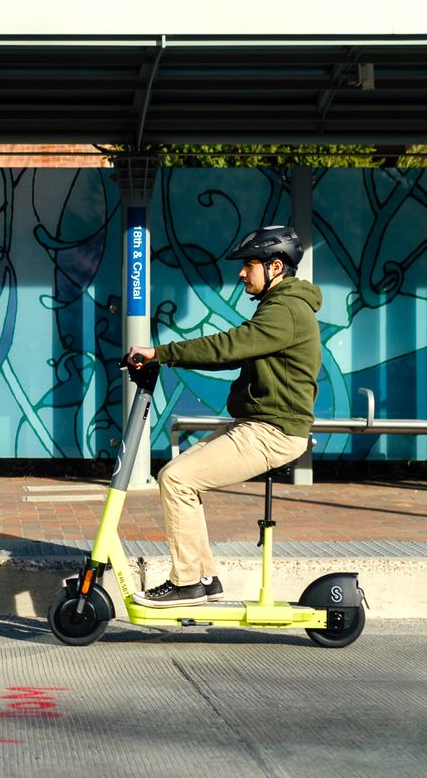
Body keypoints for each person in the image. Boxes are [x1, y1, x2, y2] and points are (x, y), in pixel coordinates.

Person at [129, 224, 321, 607]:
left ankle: (187, 583)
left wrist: (160, 353)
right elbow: (230, 353)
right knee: (180, 478)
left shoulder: (286, 310)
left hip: (274, 432)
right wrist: (165, 359)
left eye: (249, 264)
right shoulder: (280, 307)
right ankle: (203, 577)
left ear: (276, 267)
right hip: (259, 425)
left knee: (177, 480)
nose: (241, 273)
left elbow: (229, 347)